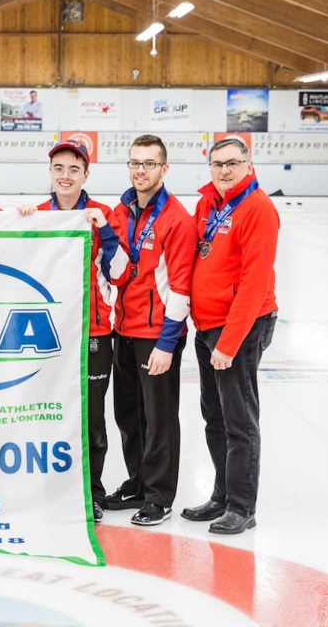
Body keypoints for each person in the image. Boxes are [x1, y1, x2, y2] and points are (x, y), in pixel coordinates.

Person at [17, 140, 129, 523]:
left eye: (74, 170)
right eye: (59, 168)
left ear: (86, 175)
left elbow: (120, 273)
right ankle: (48, 490)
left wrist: (107, 231)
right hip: (46, 334)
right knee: (46, 414)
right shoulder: (38, 213)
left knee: (92, 422)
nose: (66, 176)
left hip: (94, 332)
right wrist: (23, 224)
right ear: (50, 172)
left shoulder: (102, 214)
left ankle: (91, 493)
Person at [182, 137, 279, 535]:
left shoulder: (258, 209)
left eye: (233, 163)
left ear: (248, 164)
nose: (225, 170)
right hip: (207, 327)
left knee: (239, 419)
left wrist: (229, 342)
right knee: (214, 417)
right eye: (217, 163)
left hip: (239, 327)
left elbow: (254, 283)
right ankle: (221, 496)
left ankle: (242, 506)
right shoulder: (208, 204)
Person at [105, 134, 196, 526]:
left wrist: (167, 342)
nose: (140, 170)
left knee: (159, 419)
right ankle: (138, 483)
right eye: (134, 163)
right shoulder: (120, 210)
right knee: (129, 415)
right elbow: (116, 266)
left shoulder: (177, 218)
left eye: (149, 163)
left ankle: (159, 496)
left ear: (164, 168)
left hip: (157, 334)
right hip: (123, 329)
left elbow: (181, 287)